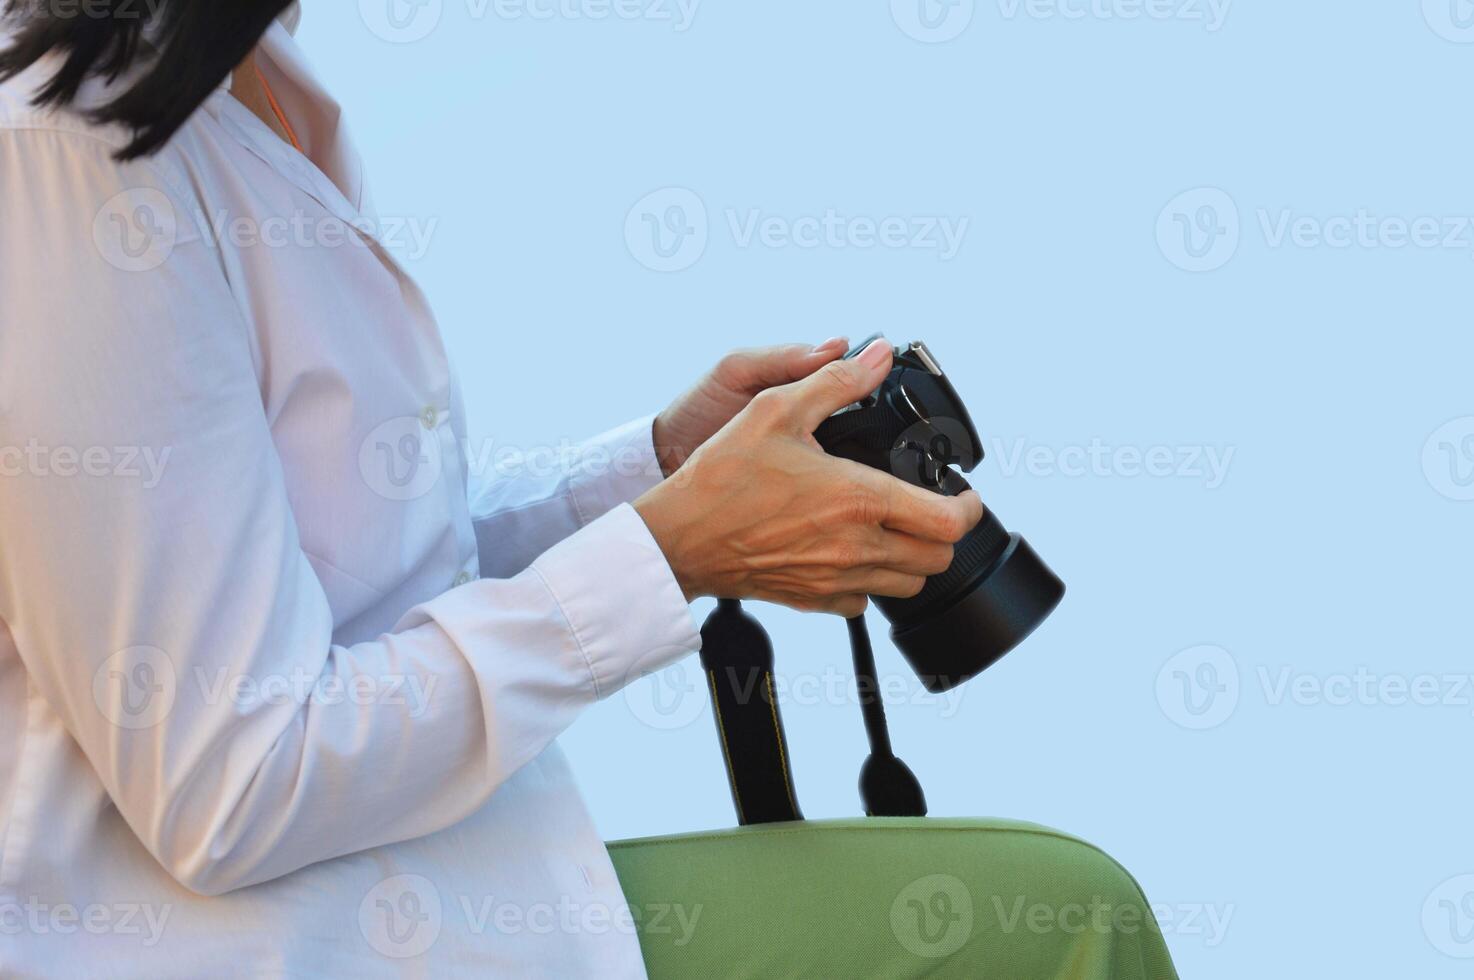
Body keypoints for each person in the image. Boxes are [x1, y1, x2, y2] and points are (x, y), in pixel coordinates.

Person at [0, 3, 981, 975]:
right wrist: (667, 551)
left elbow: (350, 577)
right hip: (286, 946)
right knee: (1059, 912)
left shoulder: (236, 83)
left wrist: (663, 472)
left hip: (468, 899)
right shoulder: (61, 153)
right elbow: (228, 781)